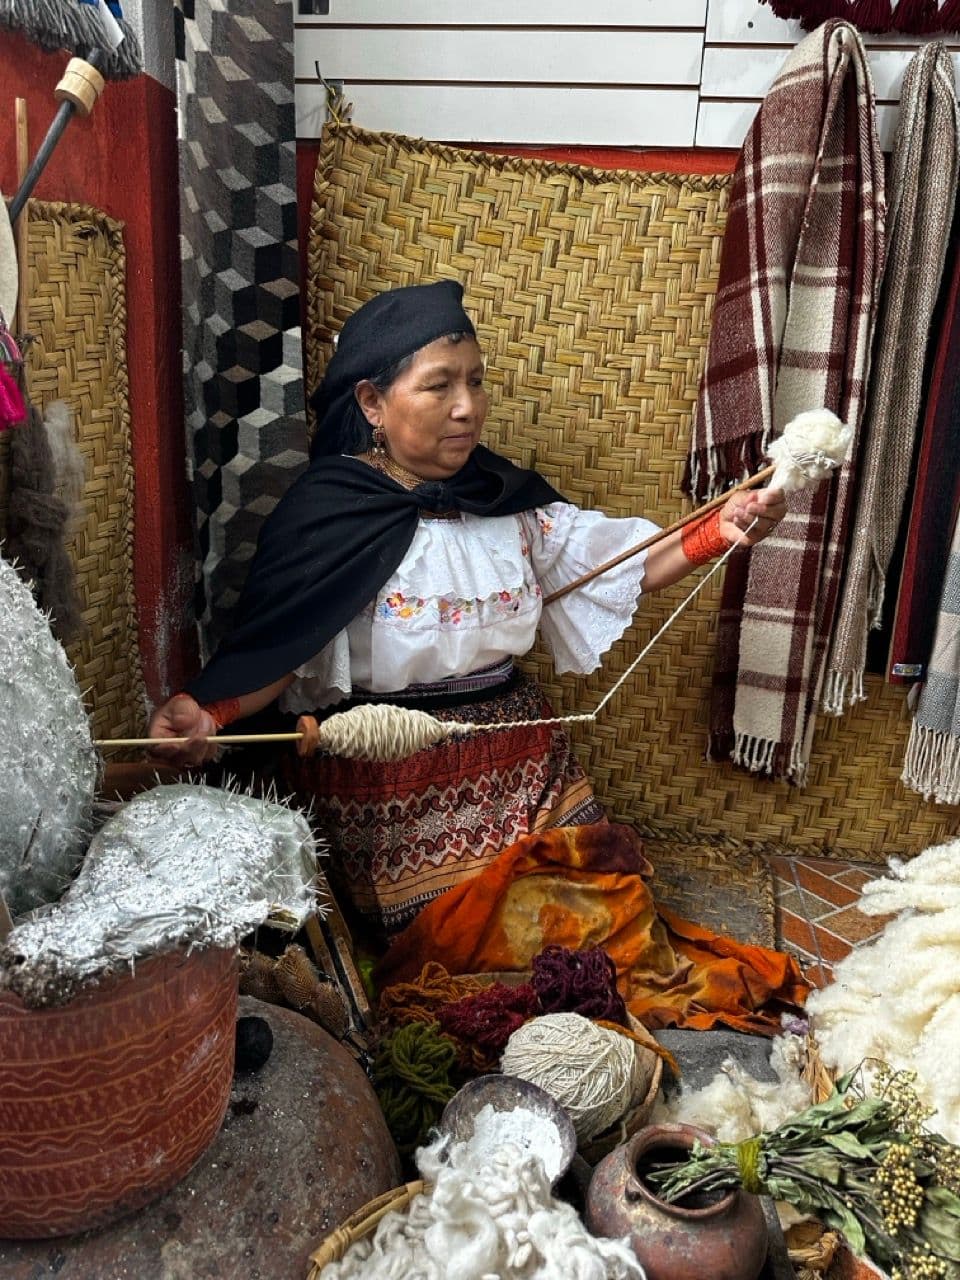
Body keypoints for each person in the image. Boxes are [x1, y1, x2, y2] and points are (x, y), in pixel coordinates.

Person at [149, 280, 786, 940]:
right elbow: (276, 648)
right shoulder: (329, 512)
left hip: (521, 760)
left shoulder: (501, 499)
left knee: (607, 919)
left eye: (476, 382)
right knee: (466, 941)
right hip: (388, 783)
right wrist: (210, 710)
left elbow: (626, 563)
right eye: (440, 386)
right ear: (372, 400)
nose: (467, 408)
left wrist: (722, 529)